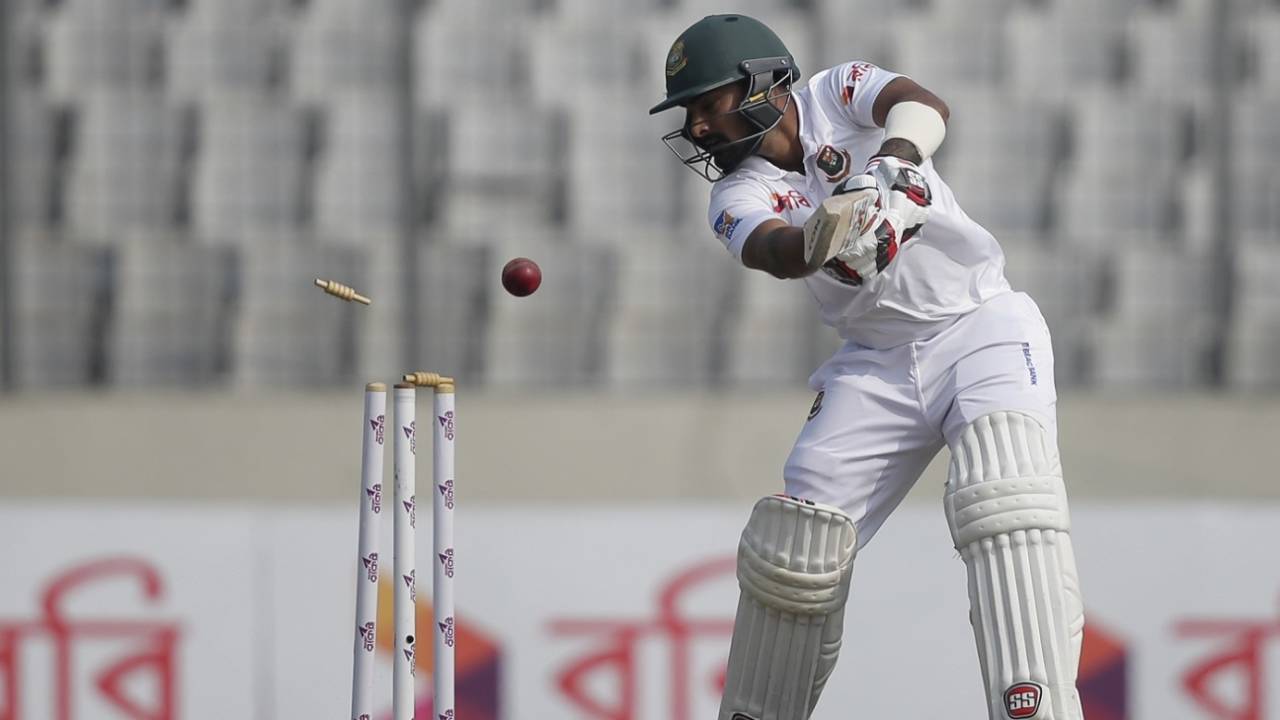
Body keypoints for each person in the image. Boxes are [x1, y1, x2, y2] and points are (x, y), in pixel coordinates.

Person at [649, 14, 1086, 720]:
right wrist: (830, 236)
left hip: (982, 328)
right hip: (875, 367)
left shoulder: (836, 90)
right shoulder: (733, 194)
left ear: (760, 83)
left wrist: (898, 164)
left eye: (708, 104)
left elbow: (921, 105)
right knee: (795, 550)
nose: (697, 127)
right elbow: (774, 252)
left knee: (1008, 506)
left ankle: (1035, 708)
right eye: (690, 113)